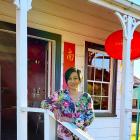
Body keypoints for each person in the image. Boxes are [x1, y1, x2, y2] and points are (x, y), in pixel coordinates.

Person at [41, 67, 94, 140]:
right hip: (63, 136)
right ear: (67, 81)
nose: (72, 81)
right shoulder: (61, 94)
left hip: (80, 135)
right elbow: (44, 103)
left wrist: (71, 120)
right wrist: (54, 109)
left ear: (79, 79)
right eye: (69, 79)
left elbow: (90, 118)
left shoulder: (86, 97)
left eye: (75, 78)